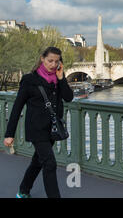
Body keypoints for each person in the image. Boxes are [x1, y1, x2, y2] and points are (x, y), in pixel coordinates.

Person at [3, 47, 74, 198]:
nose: (53, 65)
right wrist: (9, 134)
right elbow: (17, 107)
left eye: (56, 61)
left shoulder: (58, 78)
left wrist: (61, 78)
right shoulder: (29, 80)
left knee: (38, 162)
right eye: (50, 61)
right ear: (42, 59)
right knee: (50, 163)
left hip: (53, 130)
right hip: (36, 129)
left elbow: (68, 98)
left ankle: (23, 191)